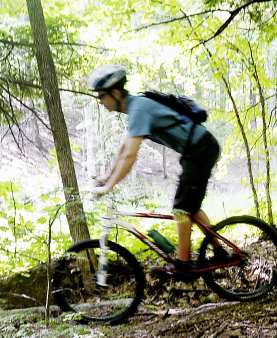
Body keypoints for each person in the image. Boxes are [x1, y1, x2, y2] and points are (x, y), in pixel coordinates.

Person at [88, 64, 229, 277]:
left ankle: (183, 264)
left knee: (182, 209)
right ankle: (219, 253)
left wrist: (109, 186)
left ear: (116, 93)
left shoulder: (138, 108)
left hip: (201, 149)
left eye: (102, 96)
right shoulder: (136, 108)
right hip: (196, 150)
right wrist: (107, 177)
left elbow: (130, 156)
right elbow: (124, 148)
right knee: (190, 207)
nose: (100, 101)